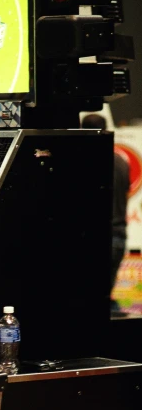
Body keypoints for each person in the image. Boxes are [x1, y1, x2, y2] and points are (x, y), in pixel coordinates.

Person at [81, 113, 130, 301]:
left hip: (91, 236)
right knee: (103, 300)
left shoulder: (83, 161)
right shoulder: (121, 162)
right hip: (117, 233)